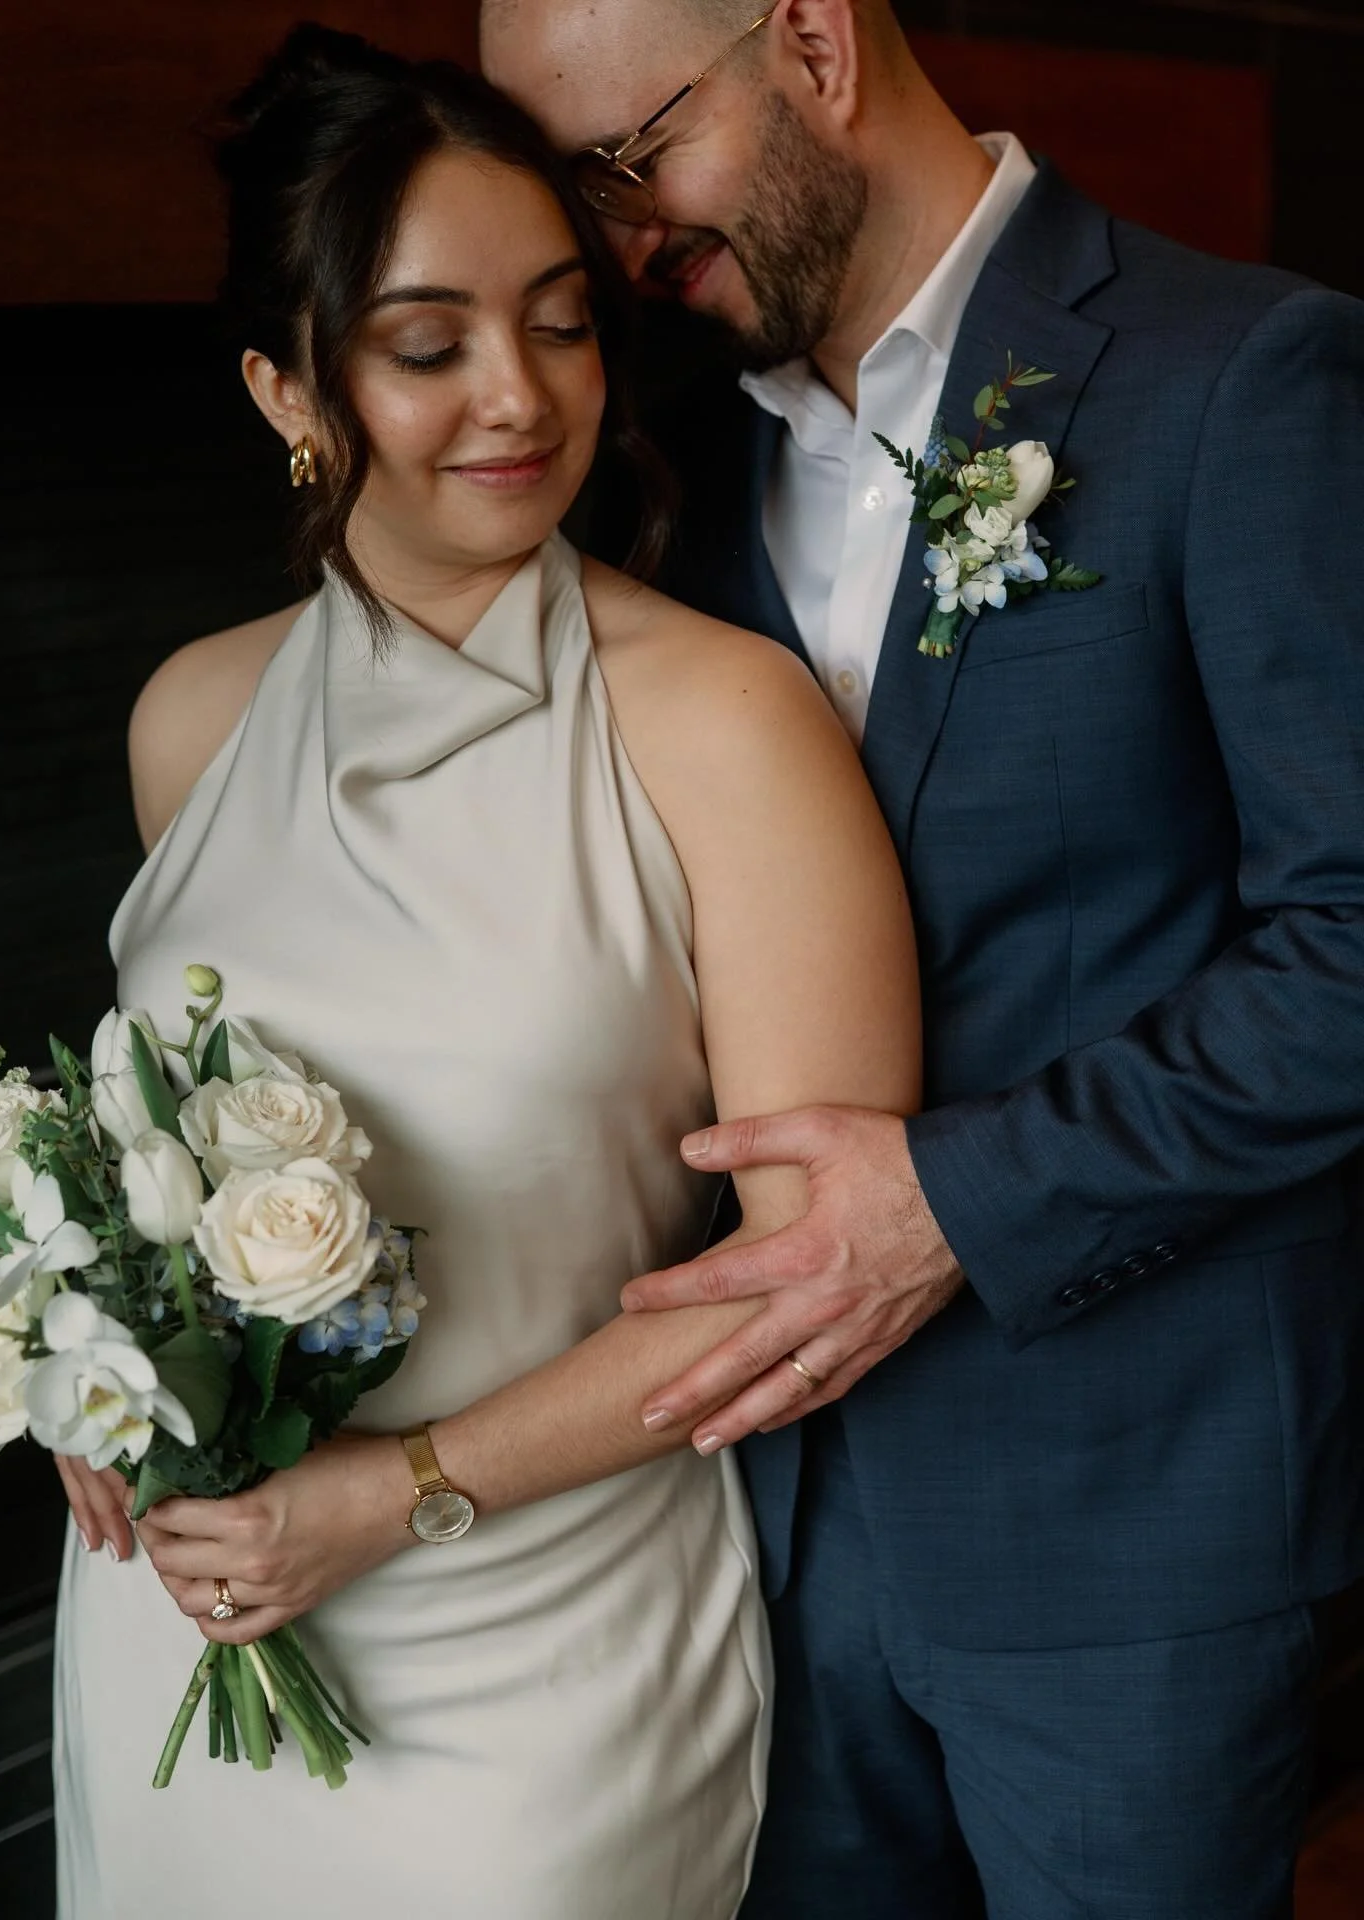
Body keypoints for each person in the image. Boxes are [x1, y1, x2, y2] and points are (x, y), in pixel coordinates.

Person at [480, 2, 1364, 1916]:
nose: (617, 240)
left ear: (810, 43)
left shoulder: (1242, 373)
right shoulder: (660, 455)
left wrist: (956, 1202)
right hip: (755, 1536)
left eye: (631, 157)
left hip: (1133, 1536)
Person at [48, 24, 919, 1920]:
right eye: (428, 346)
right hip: (184, 1629)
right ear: (288, 388)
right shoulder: (190, 722)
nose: (519, 397)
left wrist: (401, 1490)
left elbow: (805, 1289)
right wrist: (87, 1384)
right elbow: (153, 1181)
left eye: (561, 324)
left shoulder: (727, 723)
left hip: (544, 1664)